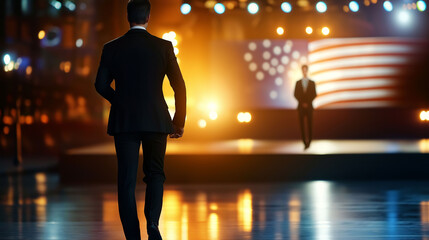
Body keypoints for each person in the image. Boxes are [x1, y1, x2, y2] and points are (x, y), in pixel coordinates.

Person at [94, 0, 186, 239]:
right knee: (156, 174)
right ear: (148, 17)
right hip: (156, 120)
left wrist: (121, 101)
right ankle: (153, 224)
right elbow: (179, 87)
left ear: (128, 17)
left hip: (125, 122)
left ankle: (132, 236)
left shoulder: (111, 47)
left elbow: (100, 85)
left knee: (126, 180)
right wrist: (179, 122)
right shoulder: (163, 47)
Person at [294, 64, 316, 150]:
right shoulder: (298, 83)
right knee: (302, 126)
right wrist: (302, 102)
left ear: (307, 70)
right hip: (301, 107)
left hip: (309, 107)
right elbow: (295, 94)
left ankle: (309, 142)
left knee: (310, 125)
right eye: (303, 70)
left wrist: (307, 102)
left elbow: (314, 94)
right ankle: (304, 142)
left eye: (305, 70)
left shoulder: (312, 83)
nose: (304, 71)